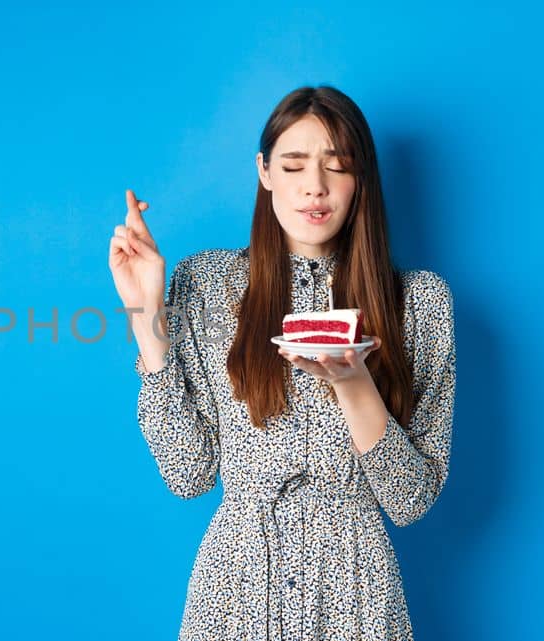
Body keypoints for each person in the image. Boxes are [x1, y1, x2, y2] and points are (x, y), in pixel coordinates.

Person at [107, 85, 456, 641]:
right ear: (264, 171)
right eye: (293, 166)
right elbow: (187, 473)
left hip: (357, 597)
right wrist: (147, 318)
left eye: (337, 166)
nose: (314, 187)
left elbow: (410, 500)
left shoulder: (417, 303)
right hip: (236, 594)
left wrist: (353, 381)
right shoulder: (208, 284)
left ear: (360, 178)